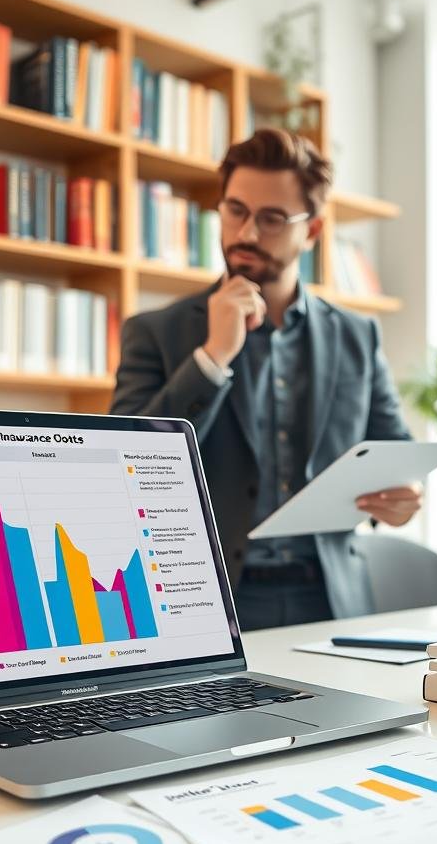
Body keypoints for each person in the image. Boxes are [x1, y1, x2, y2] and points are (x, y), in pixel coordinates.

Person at [111, 127, 421, 630]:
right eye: (235, 210)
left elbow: (393, 452)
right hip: (202, 603)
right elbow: (126, 464)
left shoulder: (356, 336)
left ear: (313, 231)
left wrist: (401, 498)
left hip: (333, 600)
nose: (247, 233)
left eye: (272, 218)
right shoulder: (156, 332)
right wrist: (212, 358)